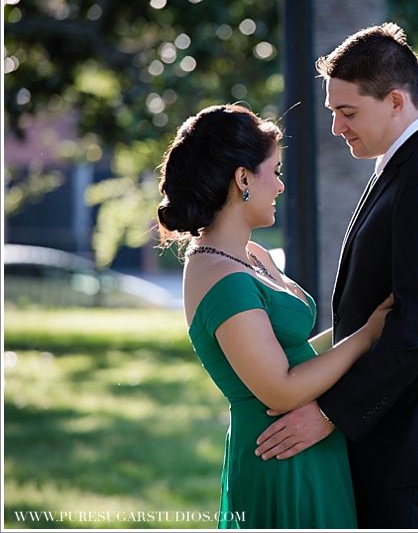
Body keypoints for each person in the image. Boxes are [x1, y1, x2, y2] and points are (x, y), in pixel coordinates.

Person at [255, 23, 418, 528]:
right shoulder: (402, 167)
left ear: (395, 101)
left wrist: (329, 413)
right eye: (333, 112)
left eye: (348, 112)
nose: (338, 128)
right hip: (395, 438)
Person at [156, 104, 392, 528]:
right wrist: (367, 335)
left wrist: (357, 327)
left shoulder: (252, 256)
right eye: (275, 171)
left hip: (311, 449)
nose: (281, 186)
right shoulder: (217, 274)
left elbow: (294, 353)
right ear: (243, 179)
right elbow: (281, 390)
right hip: (281, 459)